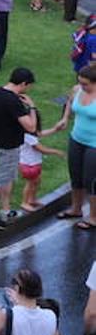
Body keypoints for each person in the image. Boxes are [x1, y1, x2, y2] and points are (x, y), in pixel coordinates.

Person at [0, 66, 37, 228]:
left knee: (8, 176)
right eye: (28, 87)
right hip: (9, 145)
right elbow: (31, 127)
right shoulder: (13, 101)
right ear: (23, 84)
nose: (28, 90)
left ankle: (6, 210)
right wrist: (32, 108)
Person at [58, 64, 96, 229]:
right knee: (76, 176)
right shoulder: (77, 90)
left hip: (94, 144)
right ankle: (76, 209)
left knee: (91, 180)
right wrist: (66, 118)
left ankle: (94, 216)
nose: (82, 86)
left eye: (86, 84)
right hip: (76, 138)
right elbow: (69, 102)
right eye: (80, 83)